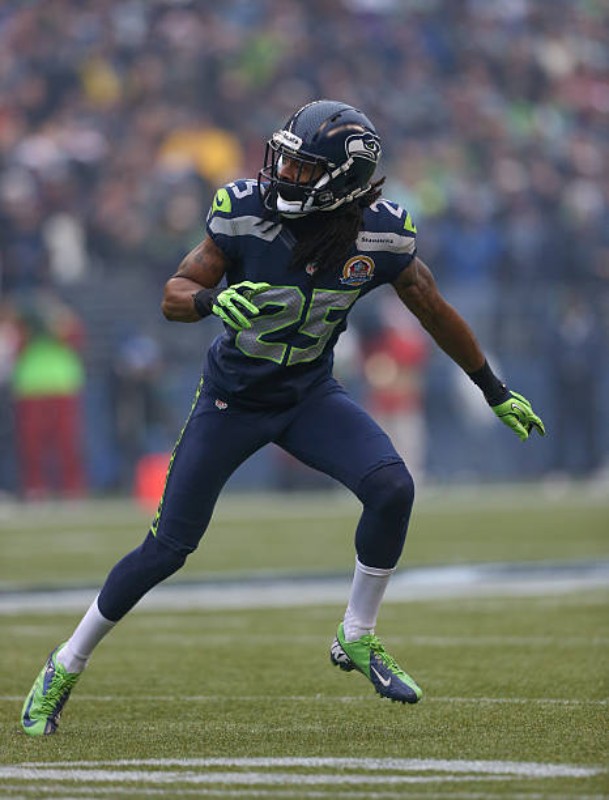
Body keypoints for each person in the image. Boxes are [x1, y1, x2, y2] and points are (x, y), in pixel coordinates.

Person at [21, 100, 545, 735]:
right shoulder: (245, 213)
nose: (282, 174)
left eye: (301, 168)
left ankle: (357, 634)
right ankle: (65, 664)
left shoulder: (381, 234)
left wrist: (493, 389)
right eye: (285, 160)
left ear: (342, 181)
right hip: (232, 401)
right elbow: (174, 295)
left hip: (308, 396)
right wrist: (212, 301)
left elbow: (431, 308)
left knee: (392, 488)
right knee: (167, 549)